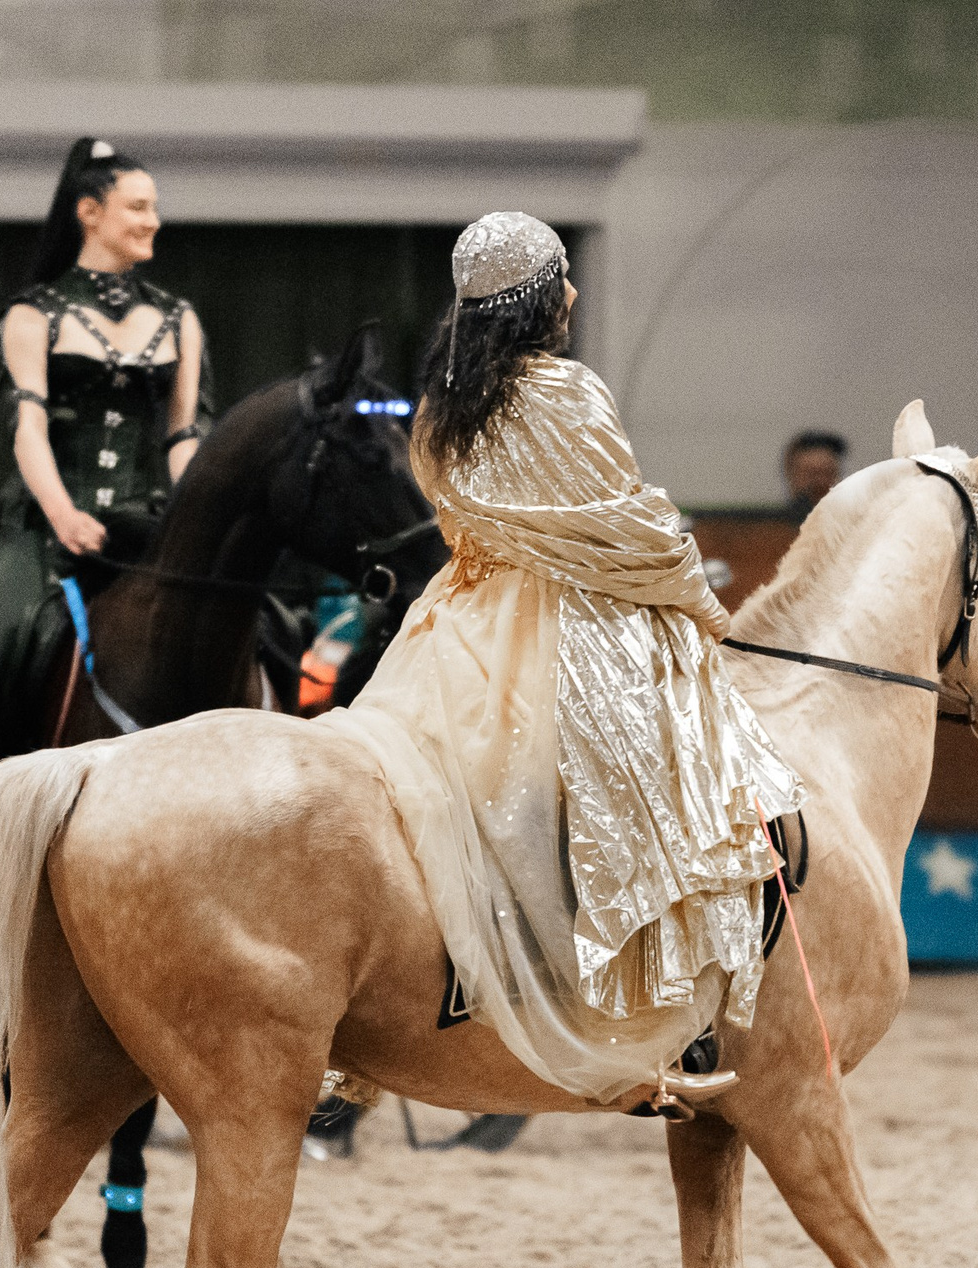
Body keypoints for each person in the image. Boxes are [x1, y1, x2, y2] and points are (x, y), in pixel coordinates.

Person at [332, 212, 805, 1111]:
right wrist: (699, 600)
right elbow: (626, 528)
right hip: (565, 625)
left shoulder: (436, 411)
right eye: (563, 282)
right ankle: (659, 1024)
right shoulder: (565, 392)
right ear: (540, 304)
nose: (577, 294)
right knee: (675, 779)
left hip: (460, 626)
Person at [0, 136, 210, 760]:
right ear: (90, 212)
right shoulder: (34, 313)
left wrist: (195, 514)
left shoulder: (177, 316)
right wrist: (62, 514)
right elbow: (28, 429)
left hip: (139, 518)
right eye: (138, 206)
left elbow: (183, 436)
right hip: (45, 521)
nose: (152, 220)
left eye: (154, 206)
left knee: (251, 625)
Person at [782, 429, 847, 522]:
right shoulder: (772, 528)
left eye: (828, 473)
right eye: (812, 474)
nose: (821, 482)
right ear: (791, 475)